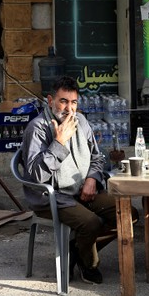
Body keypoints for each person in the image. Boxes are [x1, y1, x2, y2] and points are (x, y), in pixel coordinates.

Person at [21, 76, 119, 285]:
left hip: (82, 189)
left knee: (126, 214)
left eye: (73, 102)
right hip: (52, 196)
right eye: (63, 101)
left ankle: (76, 249)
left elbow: (97, 157)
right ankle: (89, 264)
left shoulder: (81, 121)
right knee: (91, 223)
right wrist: (59, 142)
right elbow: (37, 176)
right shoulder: (37, 128)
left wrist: (92, 179)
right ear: (50, 100)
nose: (69, 108)